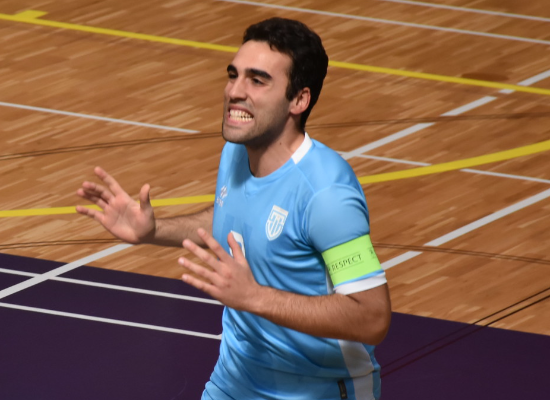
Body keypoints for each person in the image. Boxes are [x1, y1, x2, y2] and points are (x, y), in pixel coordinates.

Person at [77, 17, 391, 400]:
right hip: (233, 382)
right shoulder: (236, 152)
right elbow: (236, 219)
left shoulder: (327, 194)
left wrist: (254, 297)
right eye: (233, 75)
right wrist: (154, 231)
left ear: (299, 100)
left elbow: (372, 316)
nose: (234, 91)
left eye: (257, 80)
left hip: (318, 391)